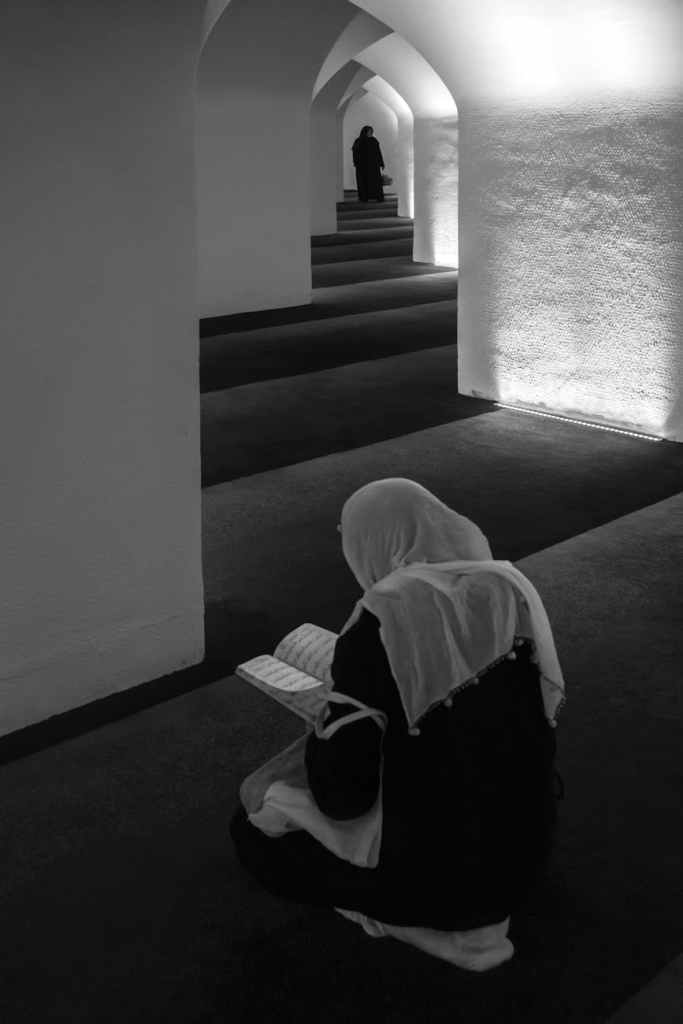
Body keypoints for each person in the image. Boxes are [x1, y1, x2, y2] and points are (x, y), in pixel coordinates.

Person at [231, 478, 565, 971]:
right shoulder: (508, 588)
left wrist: (325, 724)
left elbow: (343, 798)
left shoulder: (382, 619)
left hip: (432, 882)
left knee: (254, 826)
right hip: (525, 859)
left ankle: (425, 927)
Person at [351, 125, 385, 202]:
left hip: (373, 166)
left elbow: (378, 152)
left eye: (371, 131)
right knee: (363, 182)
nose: (371, 133)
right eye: (369, 131)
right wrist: (356, 163)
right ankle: (364, 198)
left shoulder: (374, 140)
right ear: (365, 132)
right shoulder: (358, 141)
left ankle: (377, 197)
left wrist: (381, 163)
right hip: (362, 167)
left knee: (375, 182)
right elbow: (355, 153)